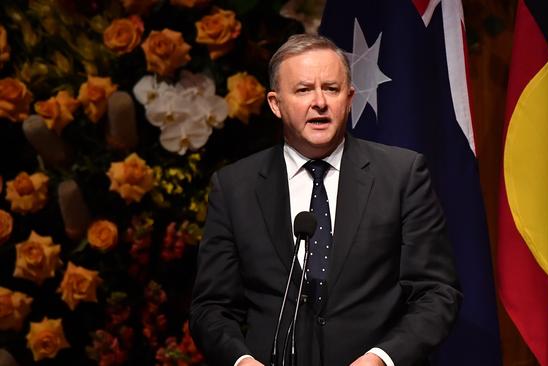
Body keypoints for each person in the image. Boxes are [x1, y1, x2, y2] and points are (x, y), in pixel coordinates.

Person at [189, 34, 461, 366]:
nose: (320, 102)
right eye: (303, 90)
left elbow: (437, 293)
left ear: (348, 99)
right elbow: (211, 308)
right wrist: (242, 361)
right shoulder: (234, 187)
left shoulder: (402, 175)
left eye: (331, 89)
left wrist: (383, 358)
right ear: (275, 104)